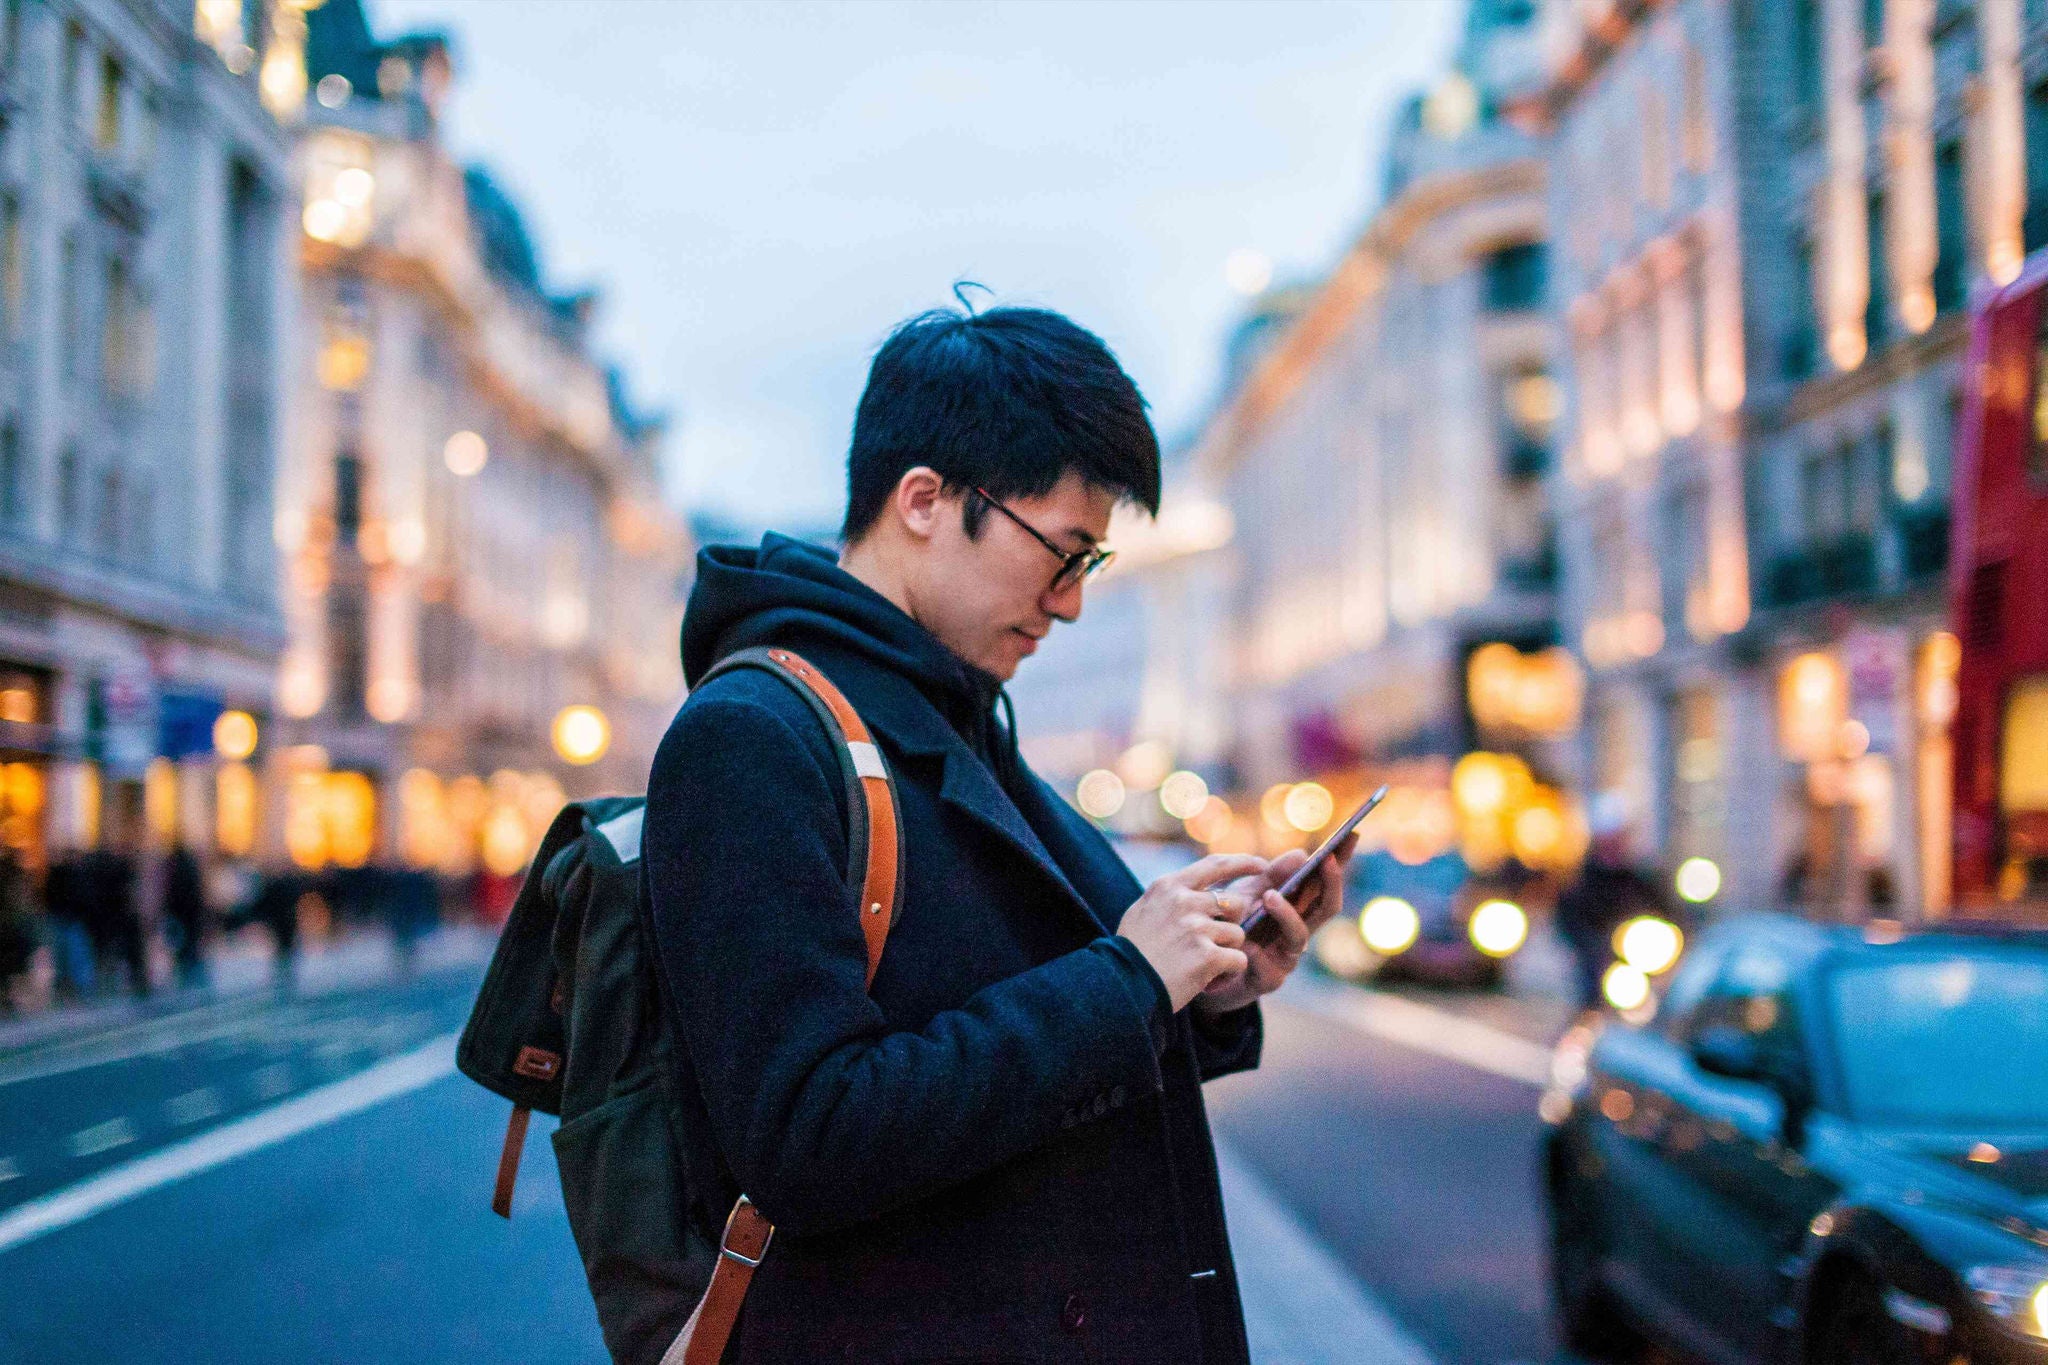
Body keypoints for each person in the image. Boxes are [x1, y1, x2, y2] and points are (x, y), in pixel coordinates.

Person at [642, 304, 1354, 1363]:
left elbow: (1050, 1030)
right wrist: (1128, 978)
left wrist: (1206, 986)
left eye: (1091, 567)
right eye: (1060, 554)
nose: (1066, 604)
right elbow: (807, 1136)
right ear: (924, 500)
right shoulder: (754, 736)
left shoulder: (959, 714)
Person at [1553, 794, 1667, 1012]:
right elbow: (1572, 925)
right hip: (1599, 966)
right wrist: (1598, 949)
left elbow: (1667, 913)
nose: (1616, 844)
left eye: (1620, 838)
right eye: (1610, 839)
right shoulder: (1581, 883)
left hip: (1642, 961)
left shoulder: (1642, 879)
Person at [161, 841, 209, 989]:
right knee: (189, 945)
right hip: (189, 913)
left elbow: (169, 893)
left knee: (181, 945)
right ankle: (190, 975)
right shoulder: (190, 869)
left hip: (180, 913)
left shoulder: (174, 870)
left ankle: (187, 973)